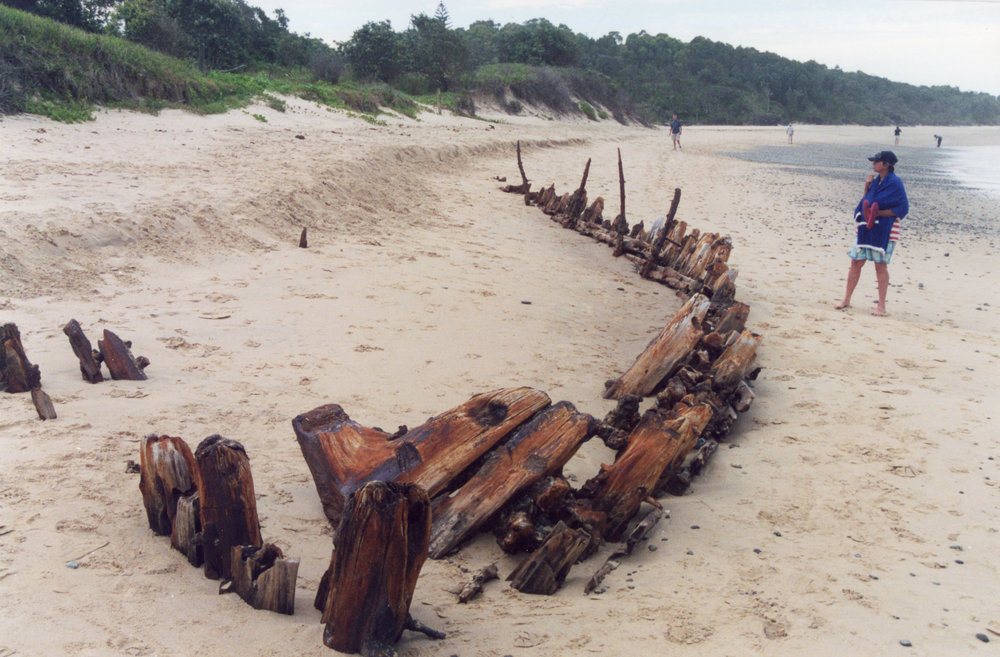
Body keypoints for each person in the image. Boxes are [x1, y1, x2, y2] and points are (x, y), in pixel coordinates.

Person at [835, 150, 909, 316]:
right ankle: (846, 299)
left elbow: (902, 208)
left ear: (886, 164)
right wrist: (866, 186)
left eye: (876, 161)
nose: (873, 164)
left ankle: (881, 306)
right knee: (855, 262)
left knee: (880, 266)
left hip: (886, 228)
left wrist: (877, 213)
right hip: (866, 227)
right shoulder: (875, 182)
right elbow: (866, 202)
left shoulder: (895, 183)